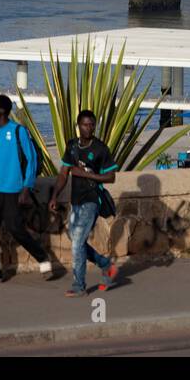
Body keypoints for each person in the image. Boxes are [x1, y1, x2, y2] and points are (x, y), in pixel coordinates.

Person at [0, 94, 52, 283]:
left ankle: (43, 258)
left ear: (2, 110)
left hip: (14, 191)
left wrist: (26, 187)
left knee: (15, 228)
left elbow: (31, 160)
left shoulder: (18, 131)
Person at [51, 109, 120, 297]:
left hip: (92, 200)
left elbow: (111, 177)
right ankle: (107, 266)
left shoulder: (100, 149)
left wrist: (86, 174)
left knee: (77, 243)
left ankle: (79, 285)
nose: (88, 128)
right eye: (85, 125)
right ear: (78, 126)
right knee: (76, 240)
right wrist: (55, 195)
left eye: (91, 125)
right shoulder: (72, 146)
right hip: (76, 200)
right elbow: (64, 173)